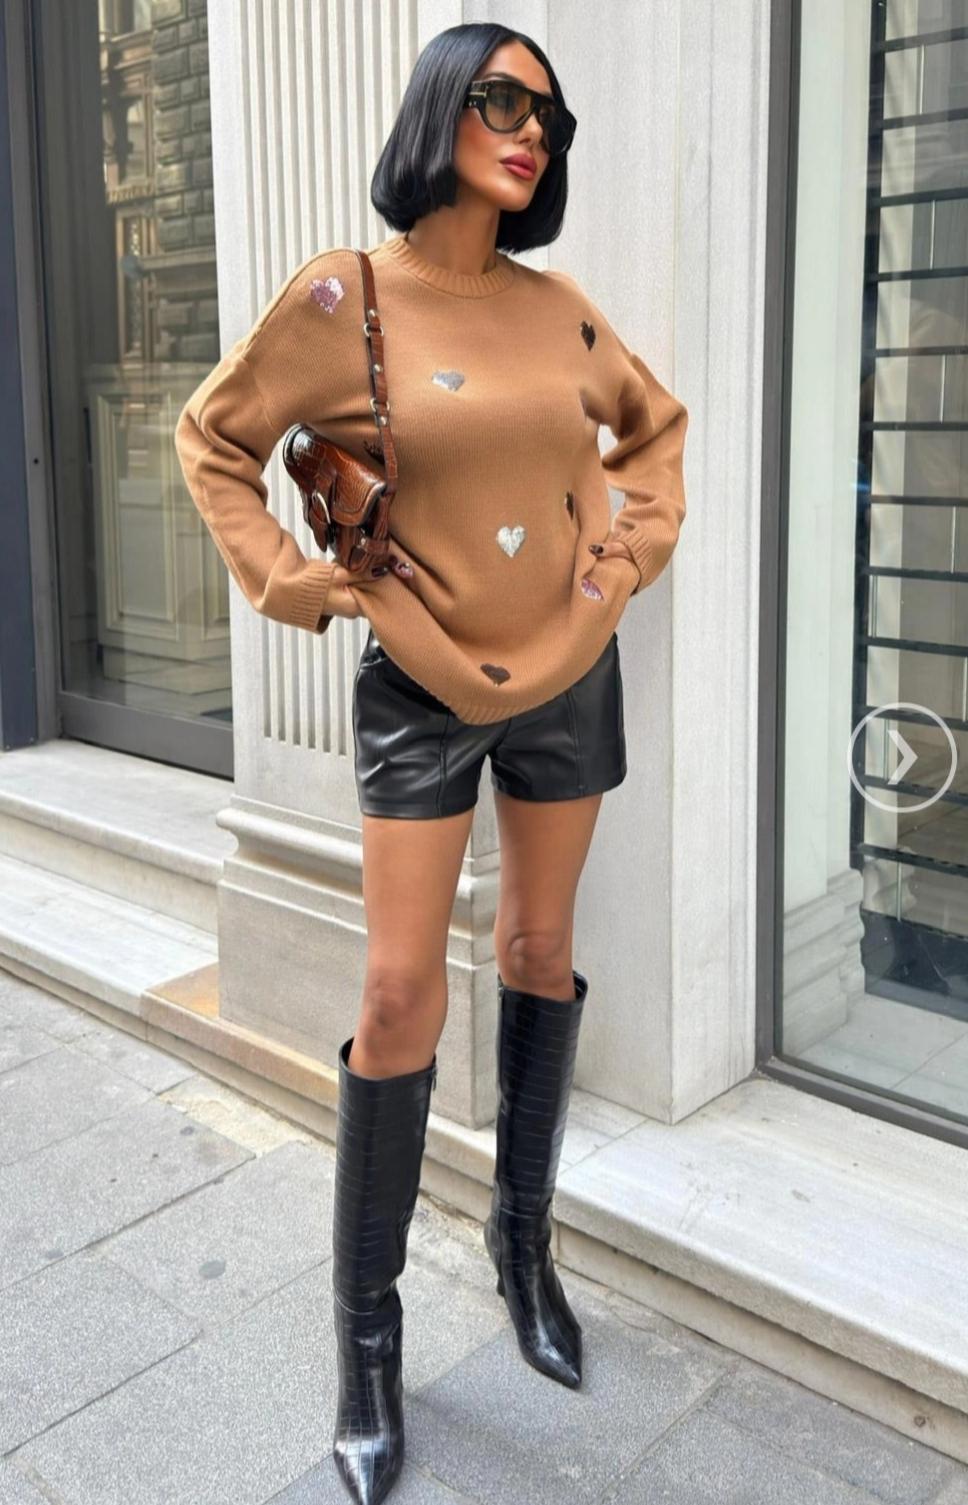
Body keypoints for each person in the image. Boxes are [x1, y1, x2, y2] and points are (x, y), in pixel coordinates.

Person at [175, 20, 688, 1505]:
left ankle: (525, 1250)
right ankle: (369, 1340)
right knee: (399, 992)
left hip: (567, 679)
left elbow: (653, 437)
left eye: (549, 115)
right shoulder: (346, 299)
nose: (531, 130)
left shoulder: (562, 312)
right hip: (419, 684)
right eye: (502, 99)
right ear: (438, 111)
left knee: (539, 950)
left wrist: (619, 567)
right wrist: (292, 581)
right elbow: (215, 439)